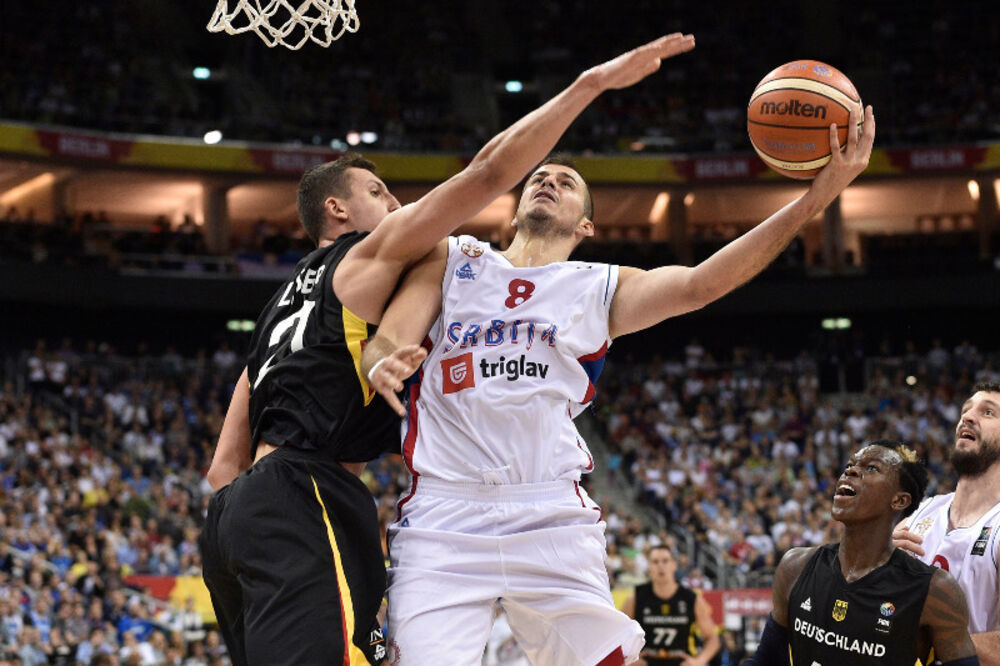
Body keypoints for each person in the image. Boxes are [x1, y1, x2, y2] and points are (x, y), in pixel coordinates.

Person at [198, 33, 700, 666]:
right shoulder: (370, 257)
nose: (396, 204)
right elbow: (489, 173)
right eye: (379, 195)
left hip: (234, 517)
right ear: (337, 210)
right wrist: (590, 85)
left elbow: (222, 467)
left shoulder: (278, 311)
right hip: (307, 494)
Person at [363, 93, 876, 664]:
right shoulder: (454, 258)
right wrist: (380, 361)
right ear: (513, 209)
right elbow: (386, 339)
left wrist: (815, 199)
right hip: (445, 514)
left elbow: (701, 284)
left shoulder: (600, 285)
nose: (549, 181)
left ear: (586, 224)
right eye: (540, 177)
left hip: (548, 511)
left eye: (566, 182)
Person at [744, 441, 978, 666]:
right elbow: (765, 660)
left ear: (899, 500)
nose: (851, 471)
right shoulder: (795, 566)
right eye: (850, 465)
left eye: (872, 468)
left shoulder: (934, 590)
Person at [893, 381, 1000, 665]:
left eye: (988, 412)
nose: (968, 417)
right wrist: (878, 565)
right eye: (966, 410)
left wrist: (928, 638)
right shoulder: (924, 510)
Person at [622, 544, 719, 666]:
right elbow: (618, 635)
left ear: (674, 565)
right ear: (649, 567)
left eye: (665, 561)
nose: (660, 566)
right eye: (655, 562)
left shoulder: (691, 599)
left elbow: (712, 639)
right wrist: (628, 659)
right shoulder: (635, 598)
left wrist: (699, 661)